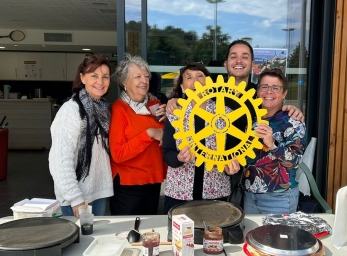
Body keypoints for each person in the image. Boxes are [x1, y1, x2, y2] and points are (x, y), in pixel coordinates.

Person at [163, 62, 240, 214]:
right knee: (178, 237)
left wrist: (230, 167)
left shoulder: (226, 114)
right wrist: (178, 157)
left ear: (209, 83)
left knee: (214, 236)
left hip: (216, 193)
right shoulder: (174, 113)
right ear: (182, 86)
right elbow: (167, 154)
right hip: (179, 194)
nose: (195, 81)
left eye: (200, 76)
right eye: (188, 77)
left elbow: (233, 153)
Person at [166, 39, 305, 122]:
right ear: (226, 64)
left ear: (252, 64)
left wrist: (290, 109)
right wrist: (175, 101)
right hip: (215, 167)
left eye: (245, 57)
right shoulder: (211, 92)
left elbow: (275, 114)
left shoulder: (261, 94)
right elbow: (191, 107)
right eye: (233, 56)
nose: (239, 61)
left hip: (250, 167)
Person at [49, 54, 113, 218]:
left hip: (98, 193)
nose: (100, 82)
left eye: (105, 77)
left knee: (96, 241)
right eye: (94, 76)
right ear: (82, 78)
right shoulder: (70, 110)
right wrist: (75, 197)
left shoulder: (104, 109)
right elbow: (59, 160)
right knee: (80, 242)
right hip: (77, 198)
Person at [109, 54, 167, 215]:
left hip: (154, 182)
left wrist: (169, 118)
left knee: (150, 234)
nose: (144, 81)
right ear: (124, 82)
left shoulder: (154, 104)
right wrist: (149, 134)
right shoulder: (119, 109)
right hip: (128, 186)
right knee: (127, 234)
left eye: (146, 76)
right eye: (138, 77)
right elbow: (118, 154)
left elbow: (166, 137)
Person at [242, 68, 306, 214]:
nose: (269, 92)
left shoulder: (293, 121)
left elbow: (295, 161)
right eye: (264, 87)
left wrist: (272, 144)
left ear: (284, 93)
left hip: (279, 197)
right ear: (258, 91)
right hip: (250, 195)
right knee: (251, 236)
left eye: (275, 88)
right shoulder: (252, 121)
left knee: (278, 237)